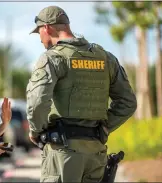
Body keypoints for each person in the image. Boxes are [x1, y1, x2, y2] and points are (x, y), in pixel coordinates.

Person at [26, 6, 137, 183]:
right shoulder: (106, 58)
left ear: (46, 27)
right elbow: (128, 102)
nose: (40, 39)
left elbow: (38, 101)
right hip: (96, 153)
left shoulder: (52, 58)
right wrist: (104, 126)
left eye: (39, 32)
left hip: (63, 152)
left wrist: (36, 130)